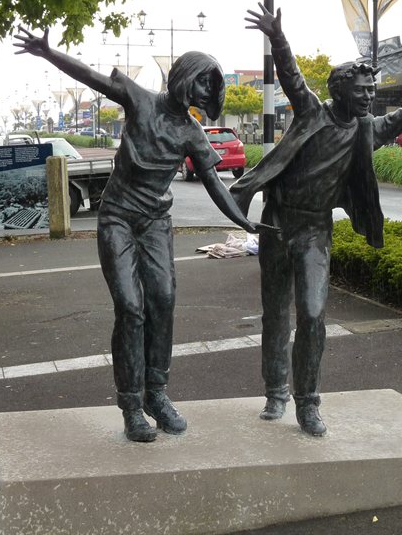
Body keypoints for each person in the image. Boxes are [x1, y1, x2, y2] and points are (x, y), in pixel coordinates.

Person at [230, 4, 402, 436]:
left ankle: (308, 402)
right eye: (363, 90)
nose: (370, 96)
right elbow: (291, 73)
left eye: (372, 90)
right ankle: (275, 391)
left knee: (313, 314)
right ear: (340, 90)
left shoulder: (366, 130)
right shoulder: (312, 112)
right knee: (275, 313)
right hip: (277, 223)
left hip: (316, 229)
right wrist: (278, 37)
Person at [14, 27, 275, 442]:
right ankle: (131, 405)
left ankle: (157, 393)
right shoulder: (140, 100)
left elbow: (214, 184)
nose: (206, 90)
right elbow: (92, 78)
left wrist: (243, 221)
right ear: (185, 76)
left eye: (213, 84)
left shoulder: (191, 132)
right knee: (131, 308)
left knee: (164, 301)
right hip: (117, 218)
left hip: (155, 222)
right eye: (203, 80)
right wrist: (49, 53)